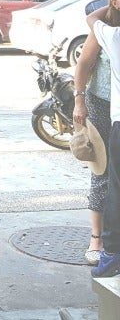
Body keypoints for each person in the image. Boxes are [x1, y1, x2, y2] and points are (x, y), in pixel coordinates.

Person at [73, 18, 114, 265]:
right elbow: (84, 64)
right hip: (101, 104)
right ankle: (96, 239)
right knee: (102, 171)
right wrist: (79, 101)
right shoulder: (103, 29)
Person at [86, 0, 120, 278]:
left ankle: (110, 254)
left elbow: (91, 19)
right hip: (111, 116)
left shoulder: (114, 36)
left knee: (116, 189)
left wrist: (109, 7)